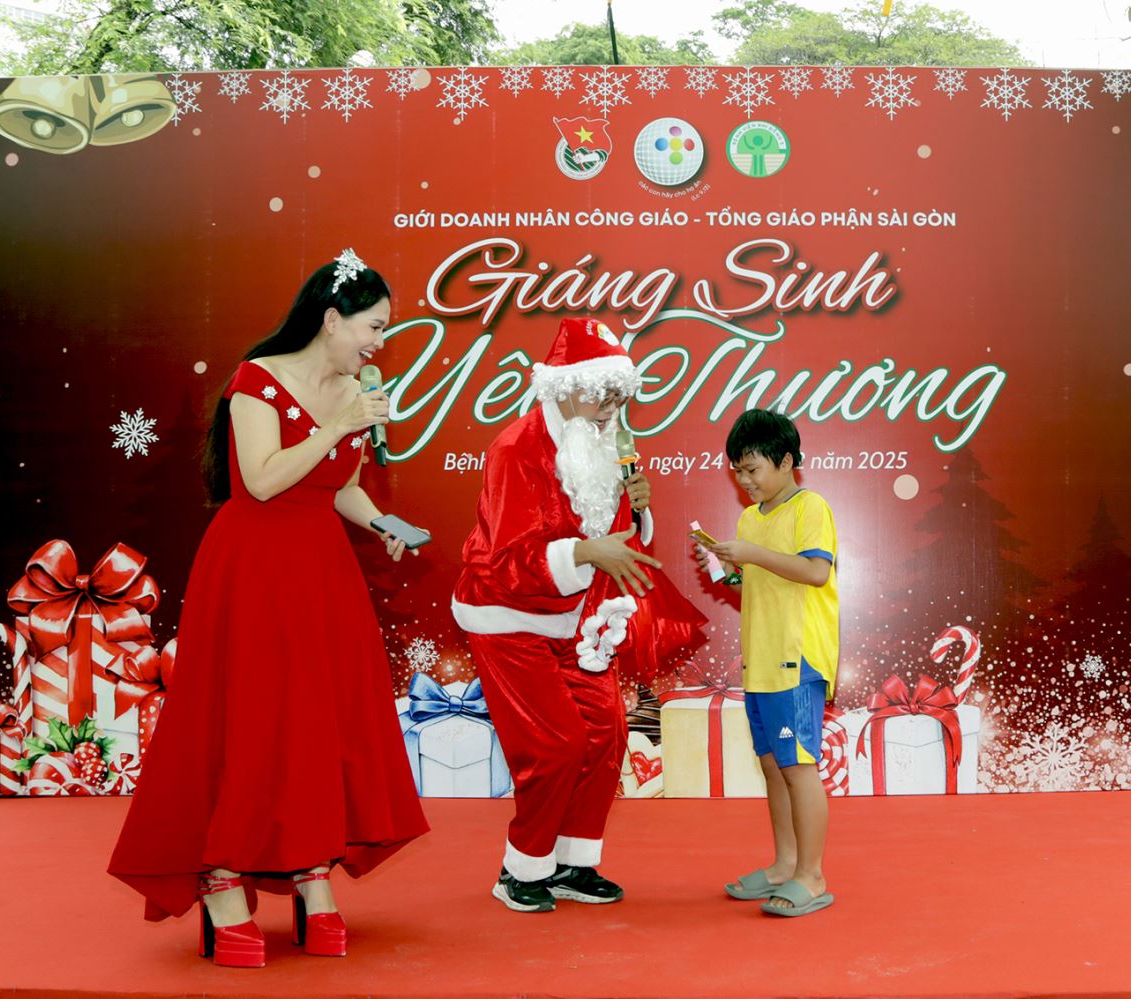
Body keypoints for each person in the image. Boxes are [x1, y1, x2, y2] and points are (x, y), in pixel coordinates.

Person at [108, 249, 429, 967]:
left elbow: (338, 486)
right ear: (332, 319)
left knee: (316, 719)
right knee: (251, 717)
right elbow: (258, 480)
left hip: (321, 570)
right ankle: (221, 878)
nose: (380, 342)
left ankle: (312, 869)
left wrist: (383, 521)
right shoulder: (257, 379)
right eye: (374, 326)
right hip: (252, 567)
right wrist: (337, 425)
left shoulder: (354, 388)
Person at [452, 316, 700, 913]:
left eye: (619, 395)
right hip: (506, 615)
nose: (611, 406)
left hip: (575, 619)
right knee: (558, 744)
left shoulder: (604, 444)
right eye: (600, 392)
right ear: (564, 386)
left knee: (607, 733)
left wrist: (637, 512)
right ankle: (521, 869)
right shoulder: (515, 450)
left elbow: (614, 544)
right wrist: (587, 553)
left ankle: (571, 862)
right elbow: (508, 560)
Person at [702, 409, 839, 918]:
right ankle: (784, 866)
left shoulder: (811, 507)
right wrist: (729, 571)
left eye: (752, 469)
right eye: (737, 470)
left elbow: (815, 572)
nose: (744, 480)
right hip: (759, 660)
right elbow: (757, 587)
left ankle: (812, 875)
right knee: (772, 766)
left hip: (796, 659)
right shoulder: (749, 519)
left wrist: (752, 554)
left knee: (798, 766)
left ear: (786, 462)